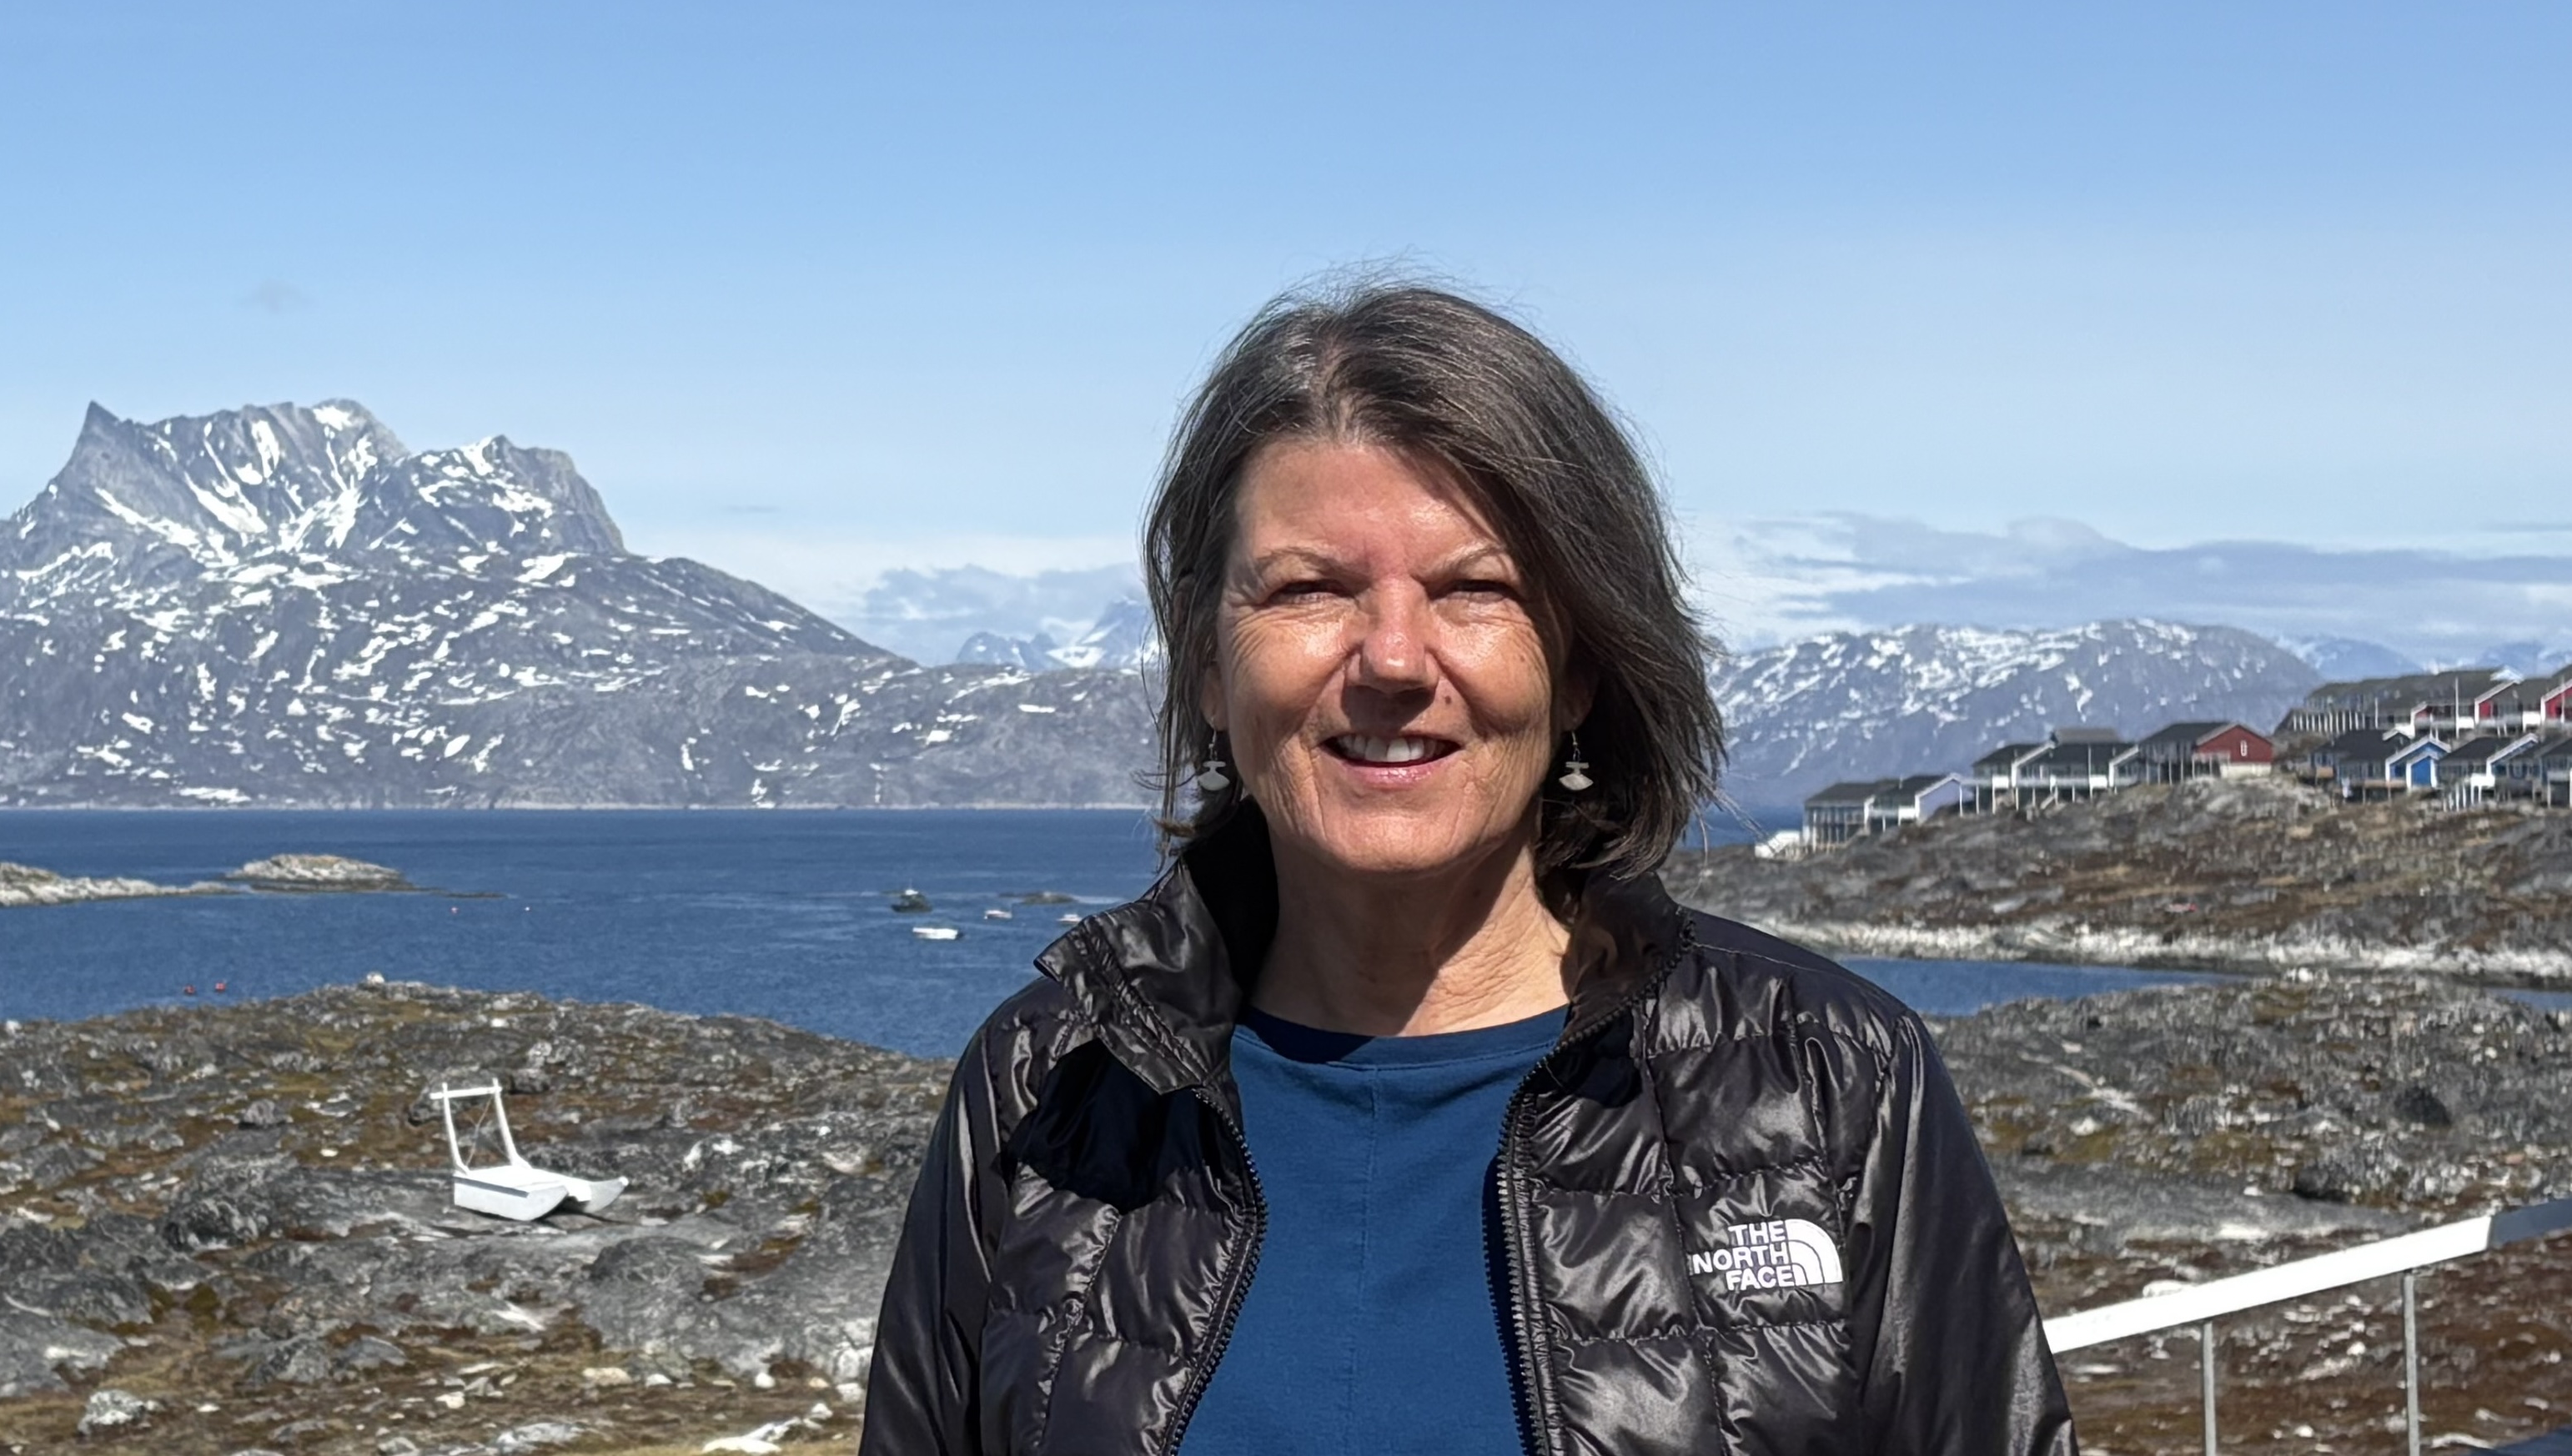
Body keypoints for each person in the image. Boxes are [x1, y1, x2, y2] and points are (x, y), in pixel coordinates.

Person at [861, 283, 2074, 1455]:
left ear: (1579, 664)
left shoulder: (1829, 1080)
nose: (1393, 659)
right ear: (1208, 667)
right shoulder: (1046, 1088)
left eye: (1475, 589)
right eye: (1310, 589)